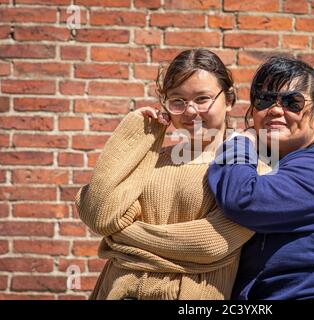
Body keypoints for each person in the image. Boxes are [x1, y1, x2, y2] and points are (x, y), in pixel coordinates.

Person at [74, 49, 270, 300]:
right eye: (177, 100)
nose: (190, 111)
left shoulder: (252, 168)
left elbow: (210, 244)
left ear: (229, 99)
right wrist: (139, 133)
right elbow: (100, 215)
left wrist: (120, 238)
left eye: (202, 99)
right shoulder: (151, 160)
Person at [207, 55, 314, 300]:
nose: (275, 109)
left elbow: (244, 198)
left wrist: (239, 142)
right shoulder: (269, 163)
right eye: (265, 100)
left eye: (292, 101)